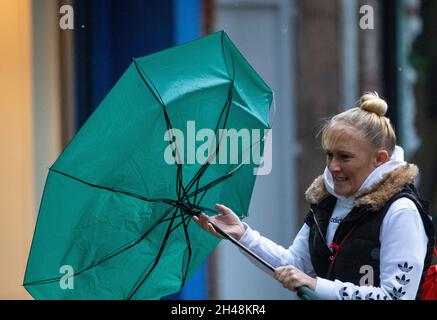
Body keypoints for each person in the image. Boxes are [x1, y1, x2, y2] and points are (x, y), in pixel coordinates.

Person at [194, 92, 436, 300]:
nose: (333, 166)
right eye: (330, 155)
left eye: (345, 157)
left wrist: (316, 285)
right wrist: (242, 236)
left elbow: (394, 296)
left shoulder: (401, 211)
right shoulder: (327, 202)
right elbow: (296, 265)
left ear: (379, 159)